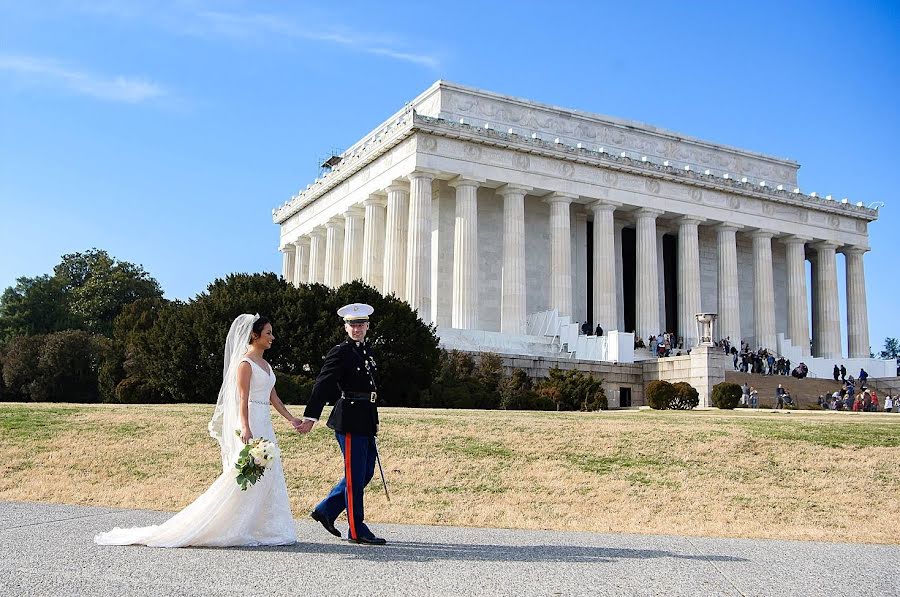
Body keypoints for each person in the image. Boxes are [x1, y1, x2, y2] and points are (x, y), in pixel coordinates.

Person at [95, 314, 299, 547]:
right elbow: (242, 399)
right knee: (244, 473)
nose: (272, 337)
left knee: (268, 473)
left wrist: (291, 419)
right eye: (268, 333)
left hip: (265, 423)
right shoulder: (245, 364)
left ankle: (266, 528)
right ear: (254, 335)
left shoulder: (266, 365)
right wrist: (245, 427)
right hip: (251, 421)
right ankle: (225, 523)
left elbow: (274, 398)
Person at [299, 303, 386, 546]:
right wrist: (311, 417)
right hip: (348, 418)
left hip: (365, 418)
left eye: (360, 324)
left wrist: (374, 420)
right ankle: (357, 529)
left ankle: (326, 510)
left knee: (365, 472)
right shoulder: (340, 352)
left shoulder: (367, 351)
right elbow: (323, 384)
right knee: (355, 475)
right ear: (345, 327)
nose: (356, 329)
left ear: (367, 326)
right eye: (352, 324)